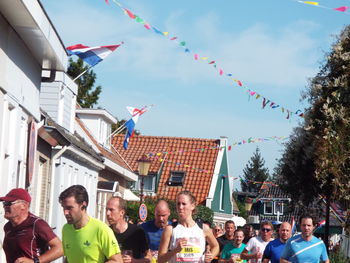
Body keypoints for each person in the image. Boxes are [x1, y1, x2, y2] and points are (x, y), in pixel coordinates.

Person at [59, 185, 122, 263]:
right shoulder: (66, 229)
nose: (65, 212)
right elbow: (68, 258)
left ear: (83, 205)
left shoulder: (101, 229)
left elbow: (117, 261)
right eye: (64, 208)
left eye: (69, 208)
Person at [0, 188, 63, 263]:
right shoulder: (8, 227)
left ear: (23, 205)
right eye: (4, 203)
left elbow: (60, 248)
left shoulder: (37, 224)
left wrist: (34, 261)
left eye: (8, 203)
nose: (5, 207)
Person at [158, 190, 219, 263]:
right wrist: (176, 250)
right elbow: (160, 260)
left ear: (192, 206)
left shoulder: (203, 228)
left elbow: (216, 246)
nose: (180, 207)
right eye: (178, 204)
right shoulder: (170, 229)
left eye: (184, 204)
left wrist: (210, 256)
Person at [106, 196, 151, 263]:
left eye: (111, 210)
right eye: (107, 209)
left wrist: (134, 261)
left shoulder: (137, 232)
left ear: (122, 212)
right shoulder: (106, 232)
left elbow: (149, 258)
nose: (107, 213)